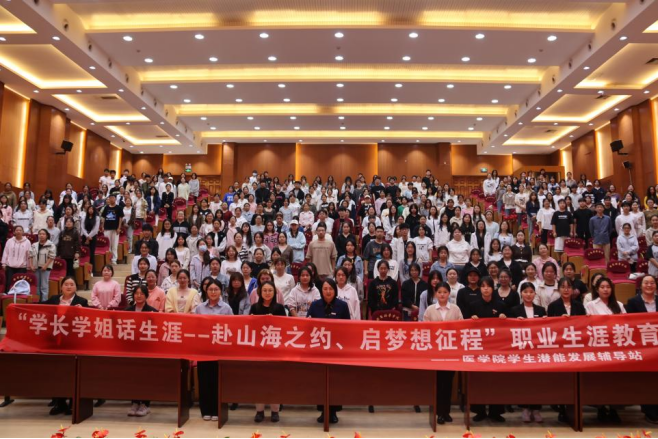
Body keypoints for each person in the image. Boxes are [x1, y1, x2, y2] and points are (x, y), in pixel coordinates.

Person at [43, 276, 88, 416]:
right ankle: (60, 402)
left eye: (71, 284)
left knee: (72, 373)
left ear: (76, 287)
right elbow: (39, 309)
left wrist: (83, 311)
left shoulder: (82, 301)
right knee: (57, 373)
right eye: (66, 284)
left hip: (73, 343)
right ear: (61, 286)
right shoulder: (53, 299)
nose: (69, 287)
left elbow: (88, 320)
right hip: (55, 342)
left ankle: (73, 403)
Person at [308, 278, 350, 425]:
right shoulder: (315, 305)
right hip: (319, 349)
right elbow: (308, 325)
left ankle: (333, 412)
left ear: (335, 290)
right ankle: (322, 411)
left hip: (336, 350)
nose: (328, 291)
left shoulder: (342, 306)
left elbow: (348, 327)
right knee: (320, 381)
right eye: (325, 289)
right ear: (321, 291)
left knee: (335, 381)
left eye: (330, 289)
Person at [423, 282, 462, 425]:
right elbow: (425, 330)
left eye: (445, 292)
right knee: (438, 383)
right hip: (435, 353)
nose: (442, 295)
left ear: (449, 293)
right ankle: (439, 412)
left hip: (451, 353)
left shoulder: (456, 309)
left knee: (448, 383)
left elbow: (461, 328)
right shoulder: (430, 309)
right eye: (439, 292)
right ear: (435, 294)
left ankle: (446, 412)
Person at [469, 276, 507, 423]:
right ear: (479, 288)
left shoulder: (500, 305)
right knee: (479, 380)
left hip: (496, 349)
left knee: (496, 381)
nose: (485, 289)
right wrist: (471, 319)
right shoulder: (473, 305)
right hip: (479, 349)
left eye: (488, 286)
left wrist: (504, 318)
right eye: (483, 286)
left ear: (493, 288)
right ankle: (479, 411)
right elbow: (466, 325)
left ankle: (495, 412)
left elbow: (507, 328)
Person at [249, 281, 285, 422]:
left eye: (270, 290)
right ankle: (259, 411)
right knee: (259, 381)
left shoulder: (279, 308)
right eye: (265, 290)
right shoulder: (254, 307)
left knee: (275, 381)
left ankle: (275, 411)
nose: (267, 293)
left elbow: (285, 328)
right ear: (260, 292)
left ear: (274, 293)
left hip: (275, 349)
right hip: (258, 350)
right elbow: (249, 327)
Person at [626, 275, 658, 424]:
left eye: (652, 283)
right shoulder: (633, 302)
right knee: (647, 379)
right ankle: (649, 410)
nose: (649, 285)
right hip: (642, 347)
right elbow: (630, 325)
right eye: (646, 283)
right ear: (641, 285)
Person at [125, 284, 157, 417]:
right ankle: (134, 402)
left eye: (142, 294)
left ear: (146, 296)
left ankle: (145, 404)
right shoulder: (127, 311)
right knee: (133, 376)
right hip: (132, 349)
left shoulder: (152, 311)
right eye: (136, 293)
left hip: (147, 349)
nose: (138, 296)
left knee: (146, 376)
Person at [29, 229, 56, 302]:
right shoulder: (34, 245)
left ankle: (44, 301)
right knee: (37, 286)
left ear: (47, 235)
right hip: (35, 267)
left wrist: (45, 266)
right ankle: (37, 301)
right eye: (40, 234)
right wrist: (31, 265)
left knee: (44, 286)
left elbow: (52, 256)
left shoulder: (51, 245)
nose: (41, 235)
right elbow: (30, 255)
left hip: (46, 268)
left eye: (43, 234)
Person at [100, 194, 124, 265]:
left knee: (114, 245)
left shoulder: (119, 208)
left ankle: (114, 260)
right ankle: (109, 259)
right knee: (108, 245)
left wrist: (119, 228)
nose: (111, 199)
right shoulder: (106, 207)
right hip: (107, 228)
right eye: (110, 198)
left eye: (113, 198)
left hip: (115, 228)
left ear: (115, 199)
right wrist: (102, 226)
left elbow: (120, 218)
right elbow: (103, 217)